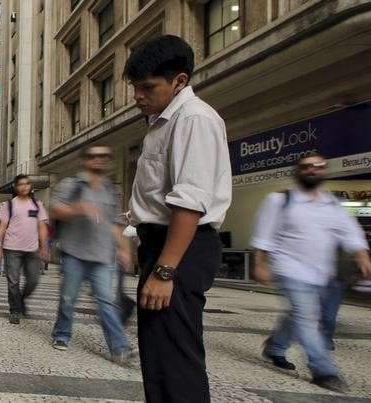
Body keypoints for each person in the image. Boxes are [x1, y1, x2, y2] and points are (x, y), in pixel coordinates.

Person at [124, 35, 232, 402]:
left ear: (180, 81)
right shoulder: (163, 121)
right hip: (162, 245)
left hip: (181, 250)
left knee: (175, 362)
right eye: (135, 87)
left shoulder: (194, 119)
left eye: (148, 87)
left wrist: (165, 270)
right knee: (158, 359)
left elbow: (189, 203)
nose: (138, 95)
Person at [251, 153, 371, 392]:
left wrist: (363, 257)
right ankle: (323, 370)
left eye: (318, 167)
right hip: (290, 268)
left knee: (297, 314)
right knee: (305, 316)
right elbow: (263, 236)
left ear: (325, 171)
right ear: (297, 171)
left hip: (322, 273)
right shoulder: (279, 200)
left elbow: (350, 233)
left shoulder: (332, 204)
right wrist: (260, 264)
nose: (312, 170)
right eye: (307, 167)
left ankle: (276, 347)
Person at [49, 145, 135, 365]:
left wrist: (124, 249)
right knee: (68, 299)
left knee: (107, 302)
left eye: (103, 156)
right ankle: (61, 334)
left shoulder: (111, 190)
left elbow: (115, 223)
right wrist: (78, 209)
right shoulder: (72, 185)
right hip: (74, 253)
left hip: (103, 256)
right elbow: (55, 209)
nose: (98, 159)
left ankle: (120, 347)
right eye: (93, 156)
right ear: (85, 160)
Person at [0, 174, 49, 325]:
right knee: (13, 281)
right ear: (16, 187)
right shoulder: (9, 205)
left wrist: (45, 247)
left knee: (33, 280)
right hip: (12, 248)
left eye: (27, 184)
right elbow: (3, 227)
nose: (24, 187)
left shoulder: (37, 205)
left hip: (32, 249)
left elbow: (42, 227)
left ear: (30, 186)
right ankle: (15, 310)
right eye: (21, 184)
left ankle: (21, 299)